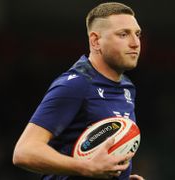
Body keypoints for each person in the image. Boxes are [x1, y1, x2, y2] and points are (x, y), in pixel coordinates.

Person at [13, 2, 144, 179]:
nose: (135, 43)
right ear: (96, 41)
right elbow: (24, 152)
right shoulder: (76, 84)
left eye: (137, 34)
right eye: (123, 34)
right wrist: (86, 167)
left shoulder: (127, 87)